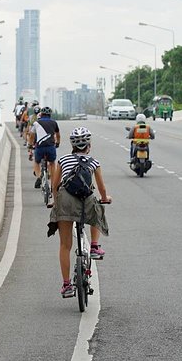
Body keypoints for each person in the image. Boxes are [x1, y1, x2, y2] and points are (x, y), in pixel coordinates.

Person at [48, 127, 112, 298]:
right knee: (97, 209)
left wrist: (55, 201)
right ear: (88, 145)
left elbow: (55, 185)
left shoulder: (63, 160)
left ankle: (67, 285)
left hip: (66, 202)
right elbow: (101, 188)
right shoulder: (93, 162)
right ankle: (94, 246)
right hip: (86, 201)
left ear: (72, 145)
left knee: (65, 245)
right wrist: (105, 198)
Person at [28, 106, 60, 189]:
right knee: (52, 163)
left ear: (41, 114)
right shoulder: (54, 123)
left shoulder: (36, 123)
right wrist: (57, 143)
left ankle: (39, 177)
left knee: (36, 162)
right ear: (50, 115)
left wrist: (30, 145)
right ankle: (53, 184)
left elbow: (31, 135)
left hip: (40, 147)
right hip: (50, 147)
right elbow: (58, 135)